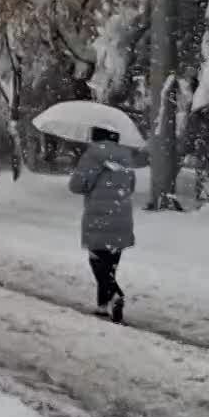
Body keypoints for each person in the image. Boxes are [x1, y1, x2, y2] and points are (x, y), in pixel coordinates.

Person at [67, 126, 148, 324]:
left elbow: (76, 186)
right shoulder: (126, 157)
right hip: (121, 215)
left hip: (98, 215)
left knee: (96, 259)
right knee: (110, 262)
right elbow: (130, 187)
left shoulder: (93, 154)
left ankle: (115, 294)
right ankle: (102, 306)